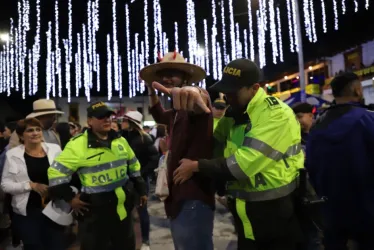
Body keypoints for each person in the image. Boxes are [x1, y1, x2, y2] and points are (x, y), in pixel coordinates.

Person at [155, 59, 304, 250]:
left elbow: (242, 165)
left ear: (254, 88)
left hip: (274, 209)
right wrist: (198, 114)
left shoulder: (274, 114)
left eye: (234, 91)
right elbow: (213, 141)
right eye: (226, 90)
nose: (228, 96)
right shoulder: (236, 113)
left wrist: (197, 166)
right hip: (245, 208)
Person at [140, 51, 215, 250]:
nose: (166, 78)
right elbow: (159, 116)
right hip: (180, 196)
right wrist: (151, 90)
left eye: (173, 73)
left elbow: (200, 101)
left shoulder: (193, 101)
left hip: (192, 196)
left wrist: (194, 92)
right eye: (163, 74)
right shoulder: (176, 111)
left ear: (187, 78)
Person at [47, 101, 147, 250]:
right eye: (101, 117)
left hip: (123, 210)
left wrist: (141, 189)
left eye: (109, 116)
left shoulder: (120, 141)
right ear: (89, 121)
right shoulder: (77, 145)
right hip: (95, 215)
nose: (107, 120)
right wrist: (69, 198)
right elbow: (55, 174)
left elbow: (134, 166)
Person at [306, 72, 374, 250]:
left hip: (330, 209)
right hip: (367, 208)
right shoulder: (367, 119)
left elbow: (310, 165)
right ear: (358, 90)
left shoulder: (318, 125)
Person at [1, 118, 65, 250]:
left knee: (56, 245)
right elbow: (5, 185)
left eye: (38, 129)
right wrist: (31, 185)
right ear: (20, 136)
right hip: (27, 212)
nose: (35, 133)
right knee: (34, 246)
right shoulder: (12, 155)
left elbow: (65, 175)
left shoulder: (55, 150)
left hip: (54, 208)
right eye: (30, 130)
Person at [121, 111, 159, 250]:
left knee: (142, 211)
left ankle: (146, 241)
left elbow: (154, 160)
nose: (121, 123)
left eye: (124, 120)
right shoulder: (121, 138)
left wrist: (140, 173)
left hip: (140, 182)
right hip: (124, 182)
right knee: (124, 212)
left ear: (131, 123)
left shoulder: (145, 138)